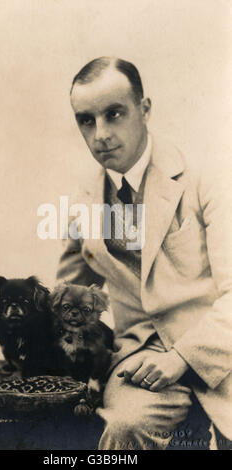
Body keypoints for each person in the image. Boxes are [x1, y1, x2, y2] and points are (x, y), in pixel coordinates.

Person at [55, 56, 232, 449]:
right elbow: (66, 294)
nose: (100, 134)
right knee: (122, 426)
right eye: (87, 120)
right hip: (137, 363)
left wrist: (182, 357)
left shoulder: (206, 176)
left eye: (114, 114)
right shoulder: (84, 200)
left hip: (220, 352)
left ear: (144, 109)